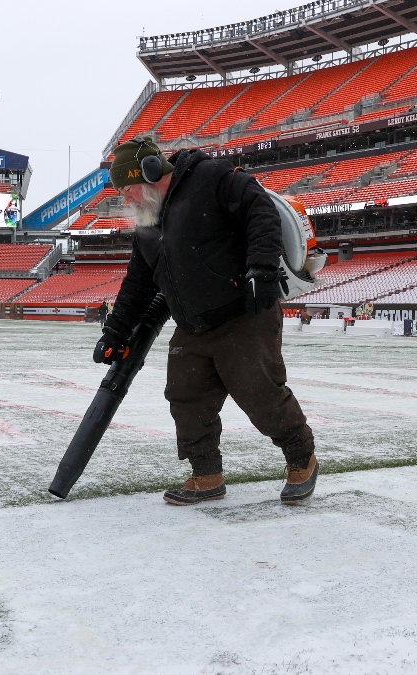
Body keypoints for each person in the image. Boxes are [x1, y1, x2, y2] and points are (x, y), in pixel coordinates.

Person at [96, 136, 317, 506]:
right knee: (186, 398)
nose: (126, 200)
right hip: (193, 324)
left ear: (150, 174)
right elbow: (137, 282)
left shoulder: (211, 177)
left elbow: (259, 210)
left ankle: (301, 459)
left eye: (128, 189)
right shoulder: (149, 222)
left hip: (243, 312)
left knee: (261, 395)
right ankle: (206, 475)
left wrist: (262, 270)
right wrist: (115, 331)